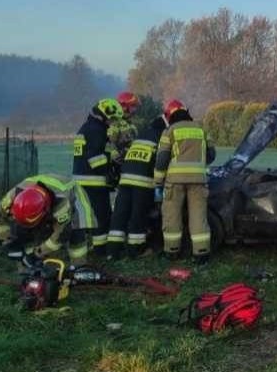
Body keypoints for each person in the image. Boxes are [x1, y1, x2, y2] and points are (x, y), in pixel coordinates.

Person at [0, 174, 95, 266]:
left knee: (76, 232)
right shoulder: (11, 199)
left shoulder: (61, 205)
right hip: (42, 190)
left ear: (46, 210)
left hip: (73, 193)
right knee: (27, 233)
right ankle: (33, 267)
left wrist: (37, 254)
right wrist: (8, 241)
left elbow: (60, 236)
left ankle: (79, 268)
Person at [154, 99, 216, 263]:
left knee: (172, 216)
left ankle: (172, 251)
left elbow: (161, 160)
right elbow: (211, 155)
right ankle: (201, 253)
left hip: (175, 181)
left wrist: (158, 183)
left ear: (171, 115)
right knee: (198, 216)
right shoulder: (201, 129)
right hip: (198, 181)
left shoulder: (169, 131)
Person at [108, 114, 169, 260]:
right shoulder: (161, 139)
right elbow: (161, 163)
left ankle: (113, 251)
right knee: (138, 216)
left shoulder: (140, 137)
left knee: (120, 215)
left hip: (125, 181)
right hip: (143, 183)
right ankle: (136, 250)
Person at [72, 98, 122, 256]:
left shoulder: (86, 128)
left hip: (81, 179)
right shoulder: (96, 130)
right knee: (101, 216)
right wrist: (111, 167)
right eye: (111, 119)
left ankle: (94, 247)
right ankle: (101, 250)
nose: (111, 122)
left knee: (89, 216)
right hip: (93, 181)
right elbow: (95, 158)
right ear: (104, 115)